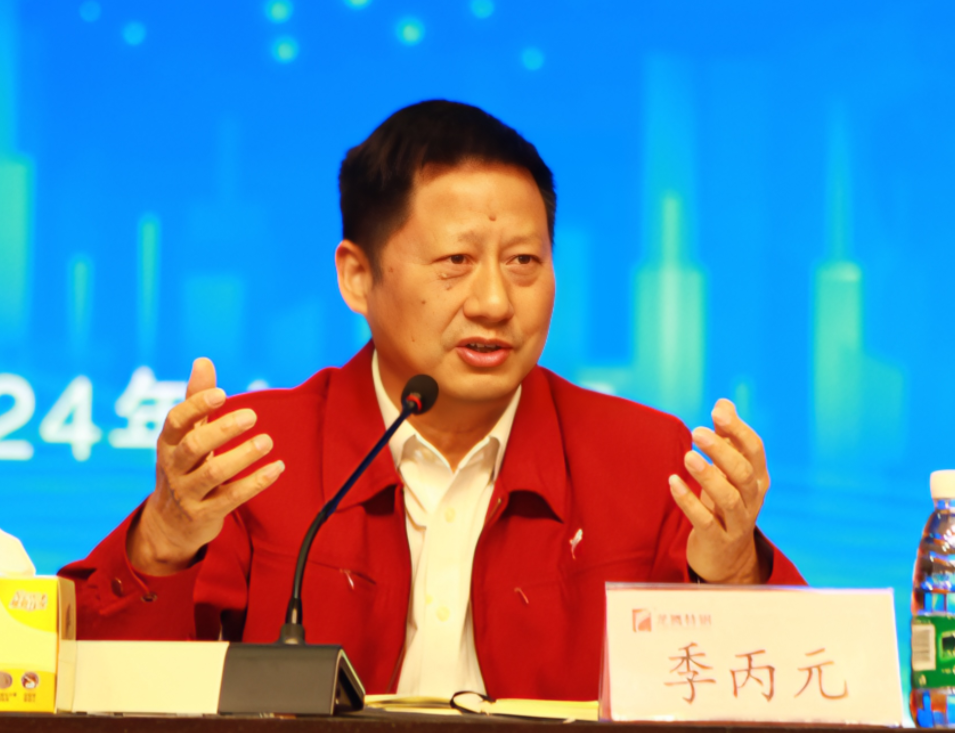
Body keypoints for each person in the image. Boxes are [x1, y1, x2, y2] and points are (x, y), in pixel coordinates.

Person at [60, 100, 805, 701]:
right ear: (357, 277)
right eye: (456, 261)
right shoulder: (256, 456)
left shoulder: (645, 460)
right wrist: (164, 543)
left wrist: (732, 571)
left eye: (524, 261)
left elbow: (783, 692)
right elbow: (84, 691)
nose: (494, 302)